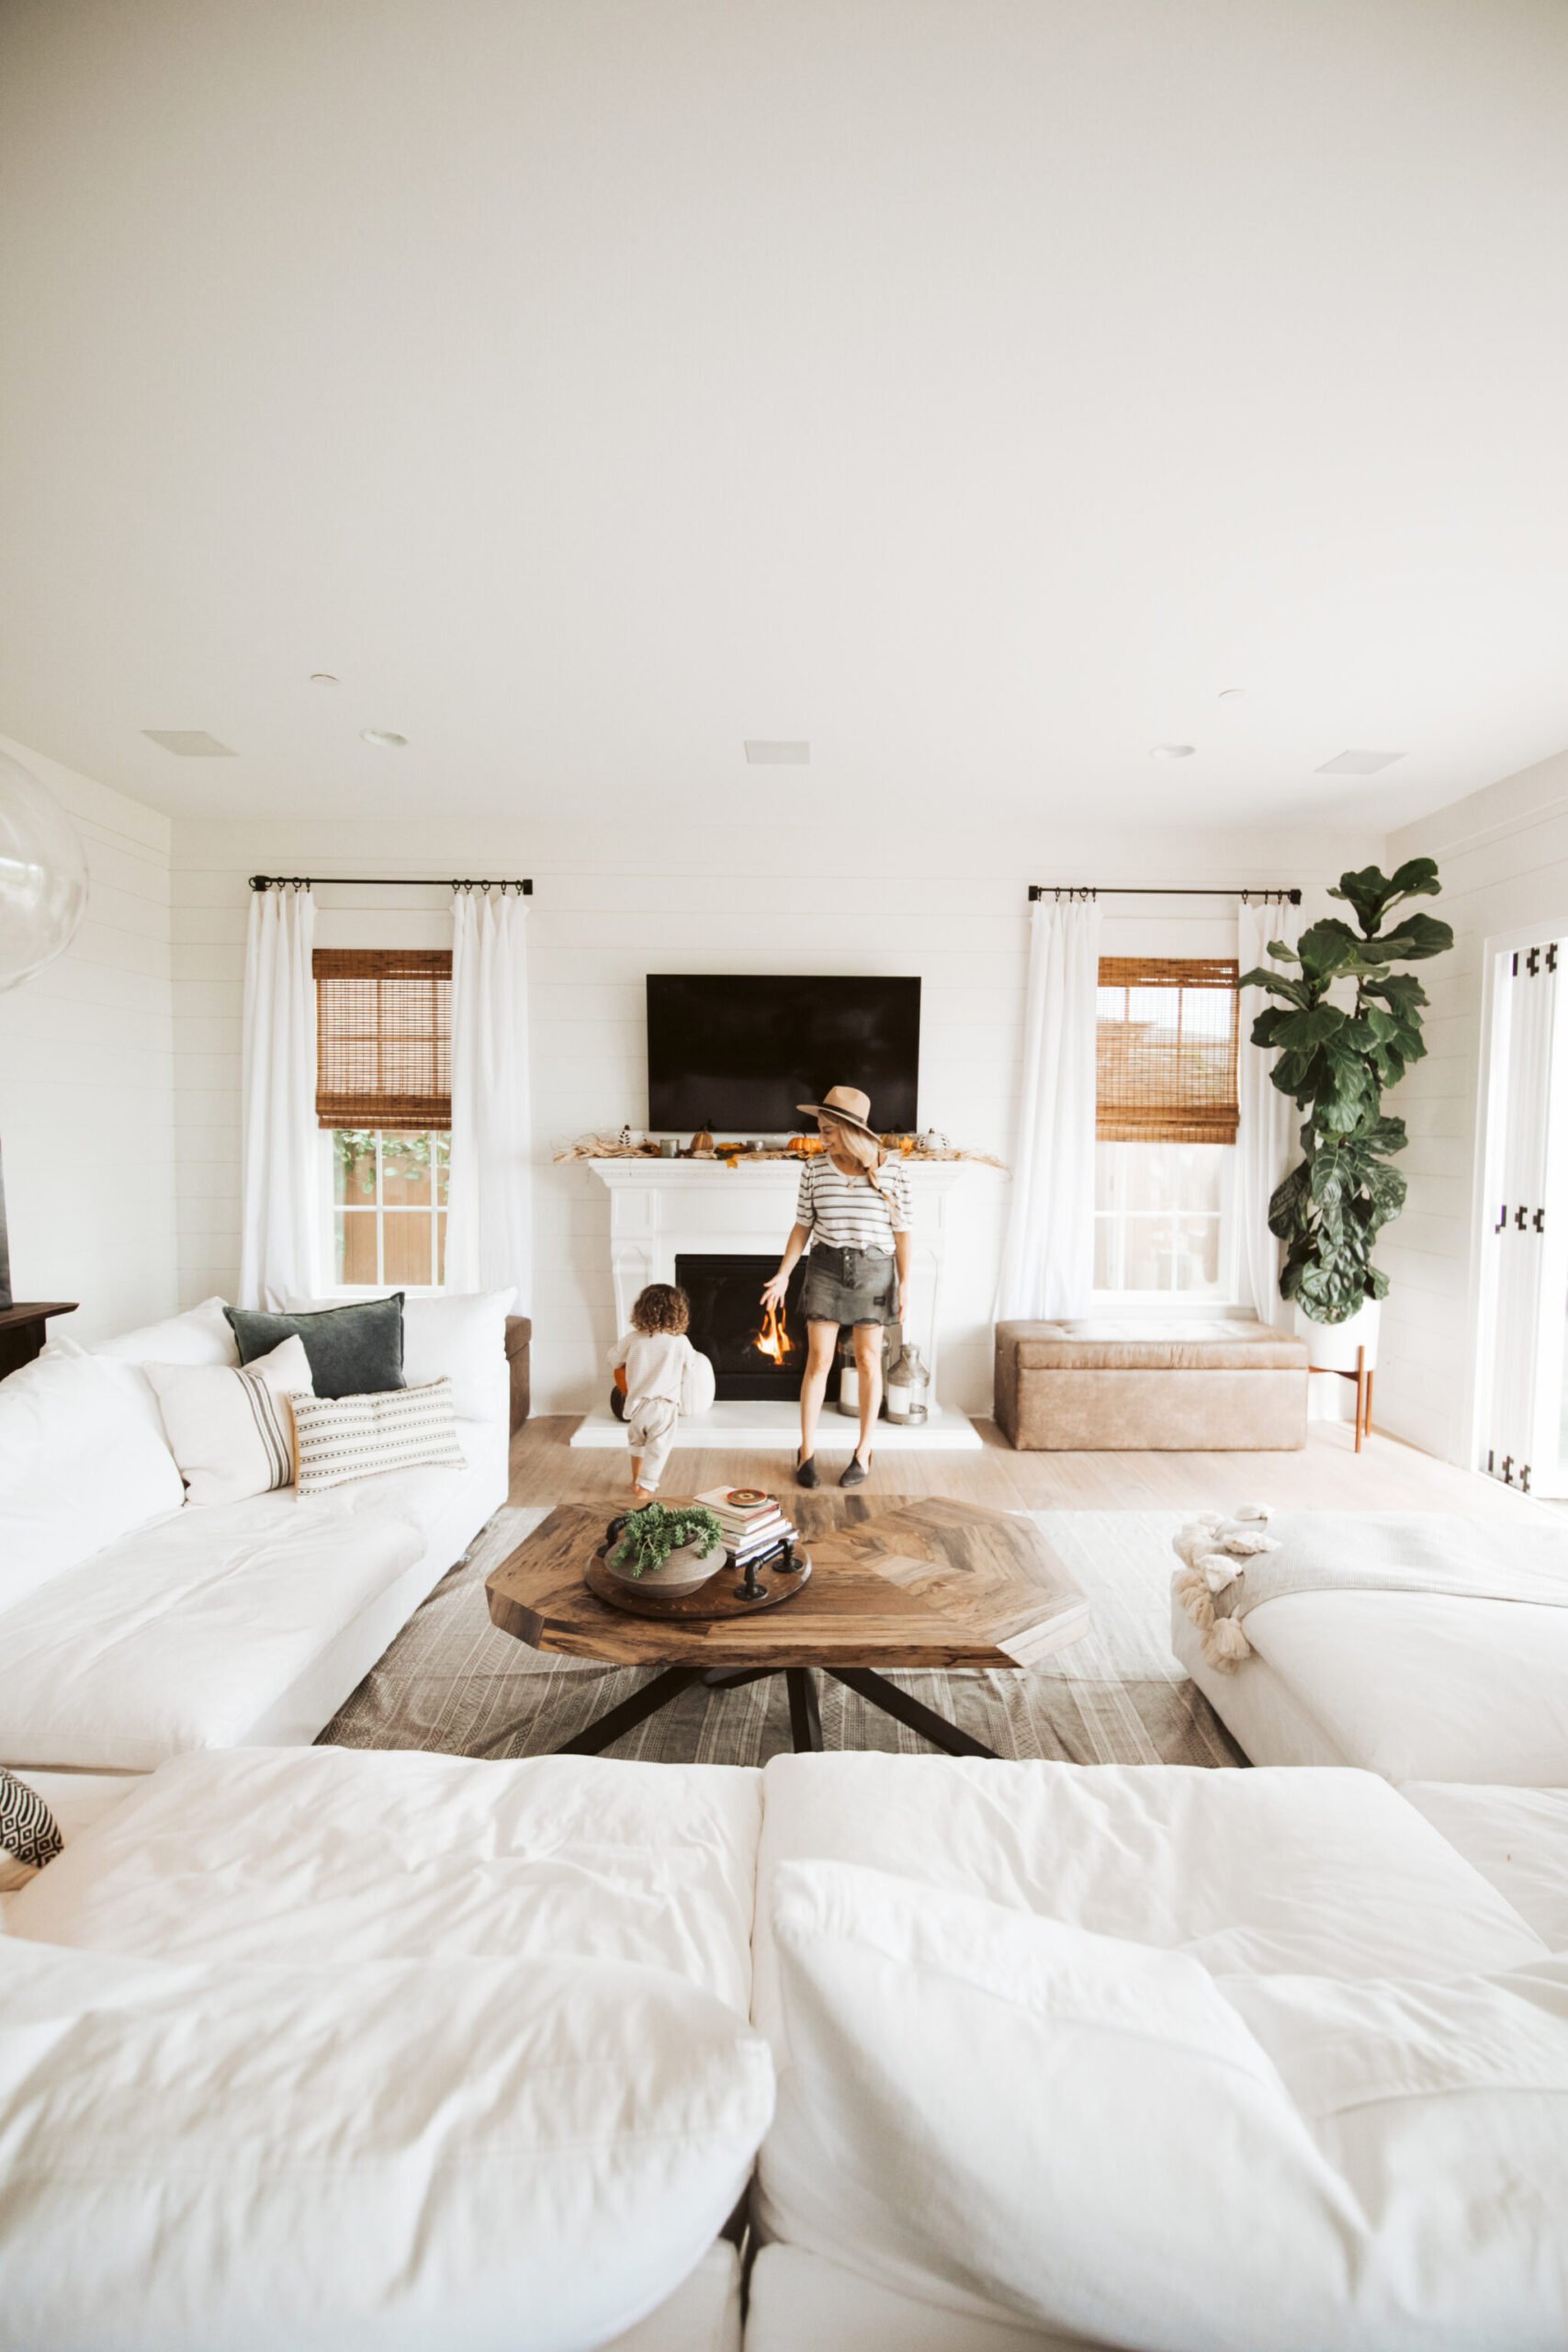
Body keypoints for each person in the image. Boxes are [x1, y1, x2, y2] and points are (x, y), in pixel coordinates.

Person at [761, 1083, 912, 1489]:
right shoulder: (814, 1168)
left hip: (875, 1271)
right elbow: (801, 1226)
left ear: (849, 1129)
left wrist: (907, 1284)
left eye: (828, 1130)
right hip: (826, 1268)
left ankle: (864, 1450)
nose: (821, 1137)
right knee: (818, 1363)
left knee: (866, 1360)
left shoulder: (892, 1168)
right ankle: (806, 1450)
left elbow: (903, 1234)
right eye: (820, 1128)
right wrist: (784, 1273)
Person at [608, 1283, 705, 1502]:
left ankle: (635, 1480)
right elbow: (693, 1365)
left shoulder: (633, 1339)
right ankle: (645, 1487)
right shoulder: (680, 1342)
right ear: (679, 1313)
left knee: (637, 1443)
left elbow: (614, 1359)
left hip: (636, 1405)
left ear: (640, 1310)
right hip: (664, 1406)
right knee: (658, 1449)